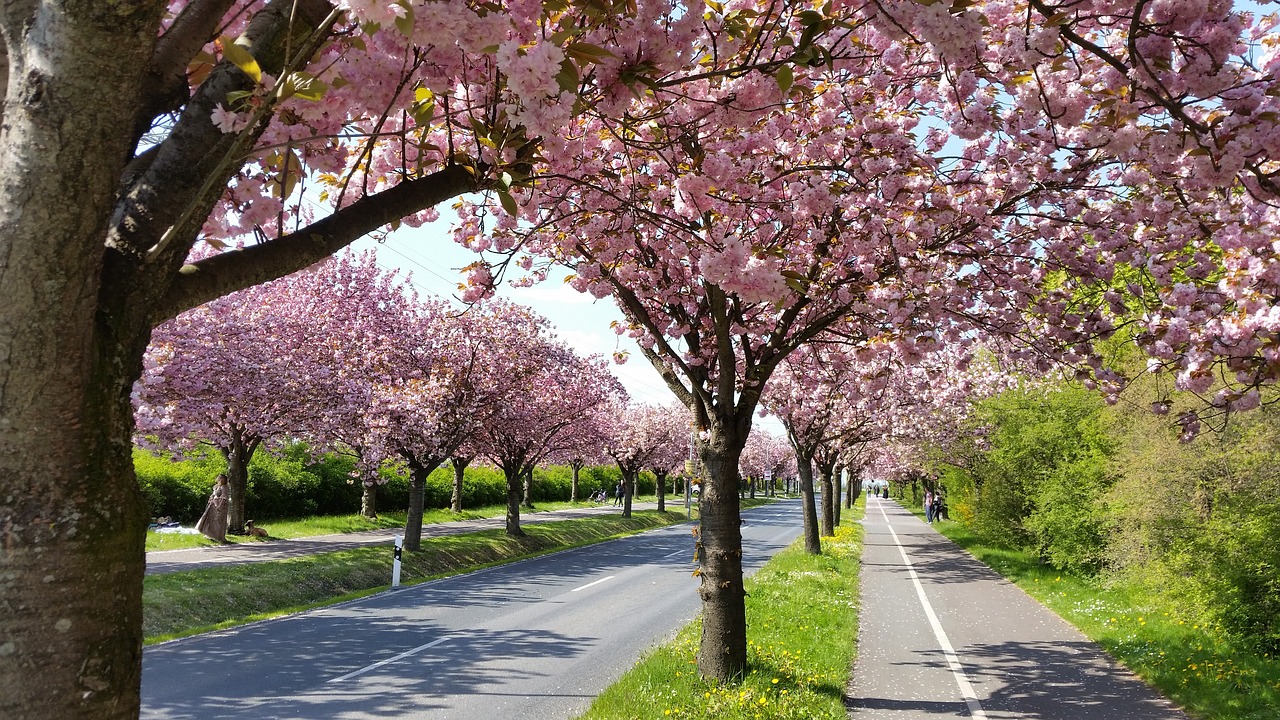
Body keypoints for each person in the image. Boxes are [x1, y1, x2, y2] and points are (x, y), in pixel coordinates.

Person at [196, 474, 230, 543]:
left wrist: (218, 503)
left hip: (219, 506)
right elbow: (214, 494)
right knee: (211, 520)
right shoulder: (218, 486)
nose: (218, 479)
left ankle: (217, 536)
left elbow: (224, 497)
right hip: (214, 505)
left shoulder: (224, 487)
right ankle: (209, 534)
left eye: (219, 478)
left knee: (218, 522)